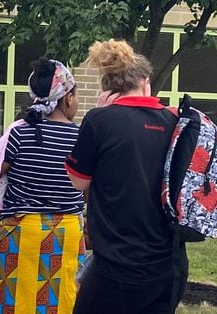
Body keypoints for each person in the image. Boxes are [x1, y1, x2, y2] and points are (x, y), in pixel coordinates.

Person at [65, 40, 184, 314]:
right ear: (144, 81)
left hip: (117, 263)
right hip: (169, 264)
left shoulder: (100, 120)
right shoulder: (174, 122)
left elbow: (77, 181)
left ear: (108, 86)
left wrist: (100, 113)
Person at [0, 58, 84, 314]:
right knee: (61, 302)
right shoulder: (81, 137)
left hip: (20, 232)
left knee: (12, 303)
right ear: (68, 98)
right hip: (65, 233)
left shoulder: (21, 133)